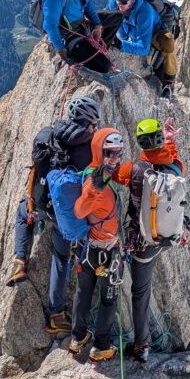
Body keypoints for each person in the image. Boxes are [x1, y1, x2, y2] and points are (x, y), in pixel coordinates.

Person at [5, 96, 101, 335]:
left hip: (39, 204)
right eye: (94, 124)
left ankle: (20, 260)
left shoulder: (45, 135)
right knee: (61, 258)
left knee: (21, 212)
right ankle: (56, 313)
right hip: (62, 217)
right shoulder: (89, 149)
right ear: (88, 123)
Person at [123, 118, 187, 363]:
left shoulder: (137, 169)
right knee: (143, 287)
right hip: (167, 236)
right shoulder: (176, 167)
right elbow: (173, 161)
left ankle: (141, 345)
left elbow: (117, 175)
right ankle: (142, 343)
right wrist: (169, 142)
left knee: (140, 292)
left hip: (143, 242)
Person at [69, 127, 132, 362]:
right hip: (107, 251)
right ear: (98, 150)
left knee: (83, 294)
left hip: (88, 250)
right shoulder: (95, 181)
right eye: (109, 153)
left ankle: (77, 338)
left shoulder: (96, 170)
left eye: (118, 152)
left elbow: (124, 173)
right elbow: (80, 210)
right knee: (108, 299)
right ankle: (101, 346)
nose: (114, 158)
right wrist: (94, 189)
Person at [41, 0, 117, 72]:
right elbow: (50, 25)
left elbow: (87, 4)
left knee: (117, 17)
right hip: (68, 35)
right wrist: (60, 49)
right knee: (106, 67)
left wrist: (97, 24)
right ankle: (92, 53)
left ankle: (96, 49)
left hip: (82, 25)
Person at [108, 0, 177, 98]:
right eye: (118, 2)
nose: (120, 6)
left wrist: (121, 44)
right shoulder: (114, 3)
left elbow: (144, 48)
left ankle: (169, 83)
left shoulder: (145, 11)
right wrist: (122, 41)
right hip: (135, 33)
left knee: (168, 43)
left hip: (154, 33)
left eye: (124, 3)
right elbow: (118, 23)